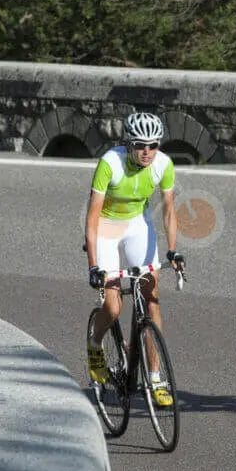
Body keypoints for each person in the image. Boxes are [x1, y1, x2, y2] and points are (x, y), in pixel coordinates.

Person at [84, 111, 185, 407]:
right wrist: (94, 266)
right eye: (140, 145)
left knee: (151, 298)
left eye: (153, 145)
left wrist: (172, 250)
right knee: (113, 307)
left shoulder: (163, 164)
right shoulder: (110, 163)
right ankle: (95, 345)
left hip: (137, 225)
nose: (147, 152)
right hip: (105, 227)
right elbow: (91, 220)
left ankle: (155, 376)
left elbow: (168, 209)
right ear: (128, 144)